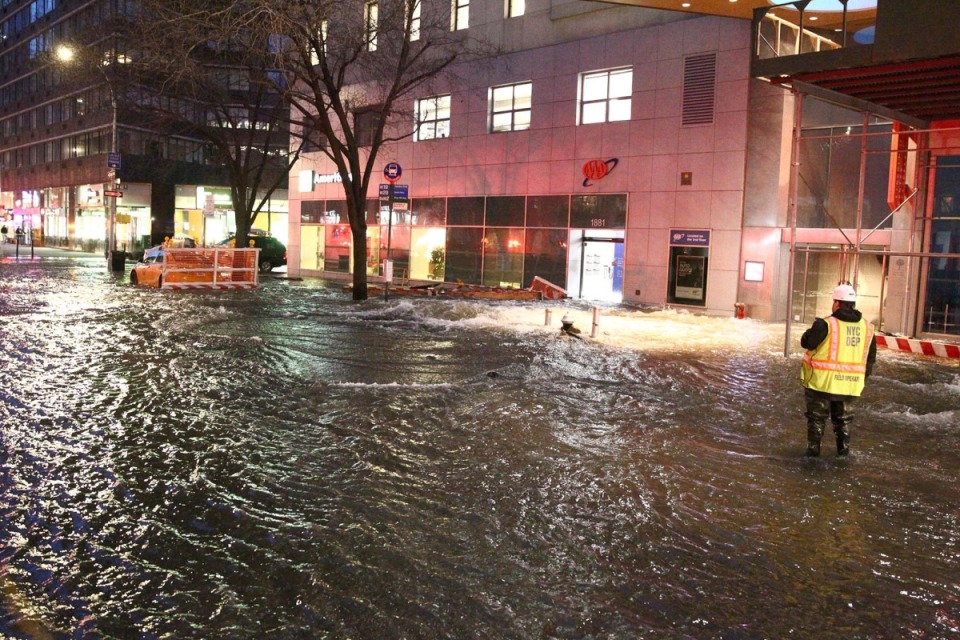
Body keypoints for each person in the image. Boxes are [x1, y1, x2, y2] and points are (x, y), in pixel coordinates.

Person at [800, 283, 877, 457]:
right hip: (850, 386)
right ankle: (843, 455)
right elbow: (870, 359)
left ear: (836, 303)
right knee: (844, 422)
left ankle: (812, 457)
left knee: (817, 420)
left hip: (822, 384)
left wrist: (809, 331)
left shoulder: (825, 324)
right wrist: (862, 379)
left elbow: (807, 342)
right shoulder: (868, 328)